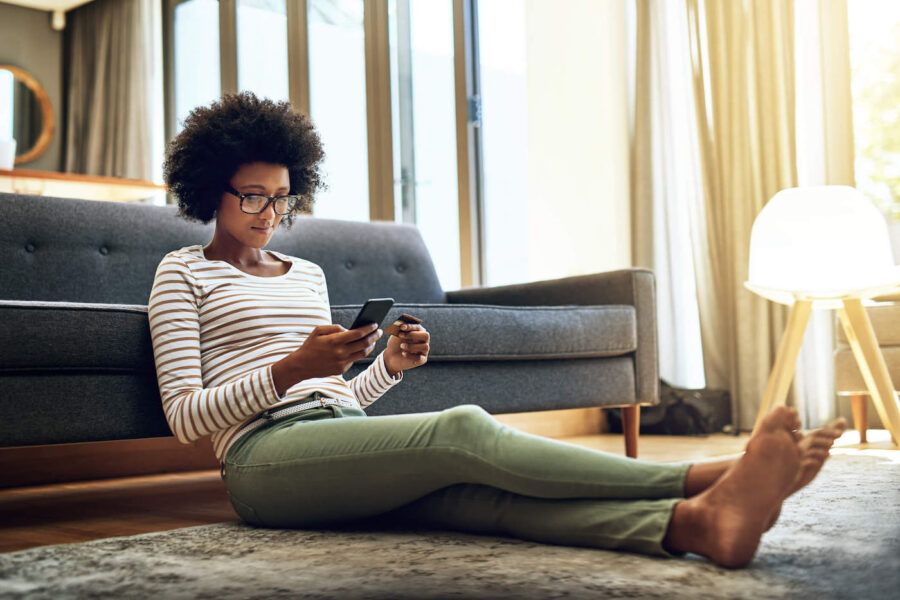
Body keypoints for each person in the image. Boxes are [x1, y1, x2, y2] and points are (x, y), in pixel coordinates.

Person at [149, 91, 848, 570]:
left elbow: (344, 405)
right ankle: (708, 475)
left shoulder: (304, 273)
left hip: (325, 437)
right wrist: (290, 371)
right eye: (251, 196)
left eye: (281, 197)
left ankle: (700, 525)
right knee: (461, 430)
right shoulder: (181, 274)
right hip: (263, 465)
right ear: (210, 188)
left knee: (478, 502)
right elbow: (184, 418)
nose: (269, 212)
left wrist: (387, 367)